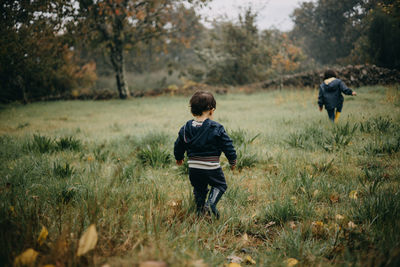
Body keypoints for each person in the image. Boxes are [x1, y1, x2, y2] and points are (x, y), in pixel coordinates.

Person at [174, 91, 237, 219]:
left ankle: (199, 211)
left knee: (199, 189)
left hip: (194, 168)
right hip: (211, 167)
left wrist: (179, 157)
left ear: (192, 111)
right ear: (211, 110)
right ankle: (210, 204)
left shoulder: (186, 128)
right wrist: (232, 160)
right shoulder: (216, 127)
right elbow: (227, 145)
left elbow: (179, 144)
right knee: (220, 185)